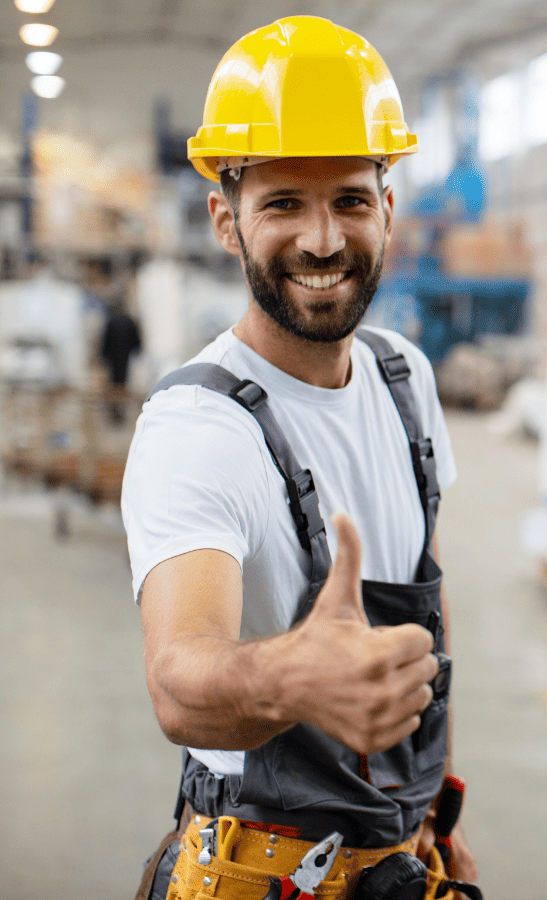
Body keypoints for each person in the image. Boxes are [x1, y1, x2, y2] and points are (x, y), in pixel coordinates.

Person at [122, 17, 478, 900]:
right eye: (283, 203)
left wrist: (430, 811)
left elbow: (425, 618)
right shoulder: (198, 428)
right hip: (263, 871)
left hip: (395, 853)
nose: (323, 240)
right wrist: (295, 675)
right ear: (226, 220)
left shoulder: (406, 382)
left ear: (387, 208)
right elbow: (180, 681)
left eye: (351, 199)